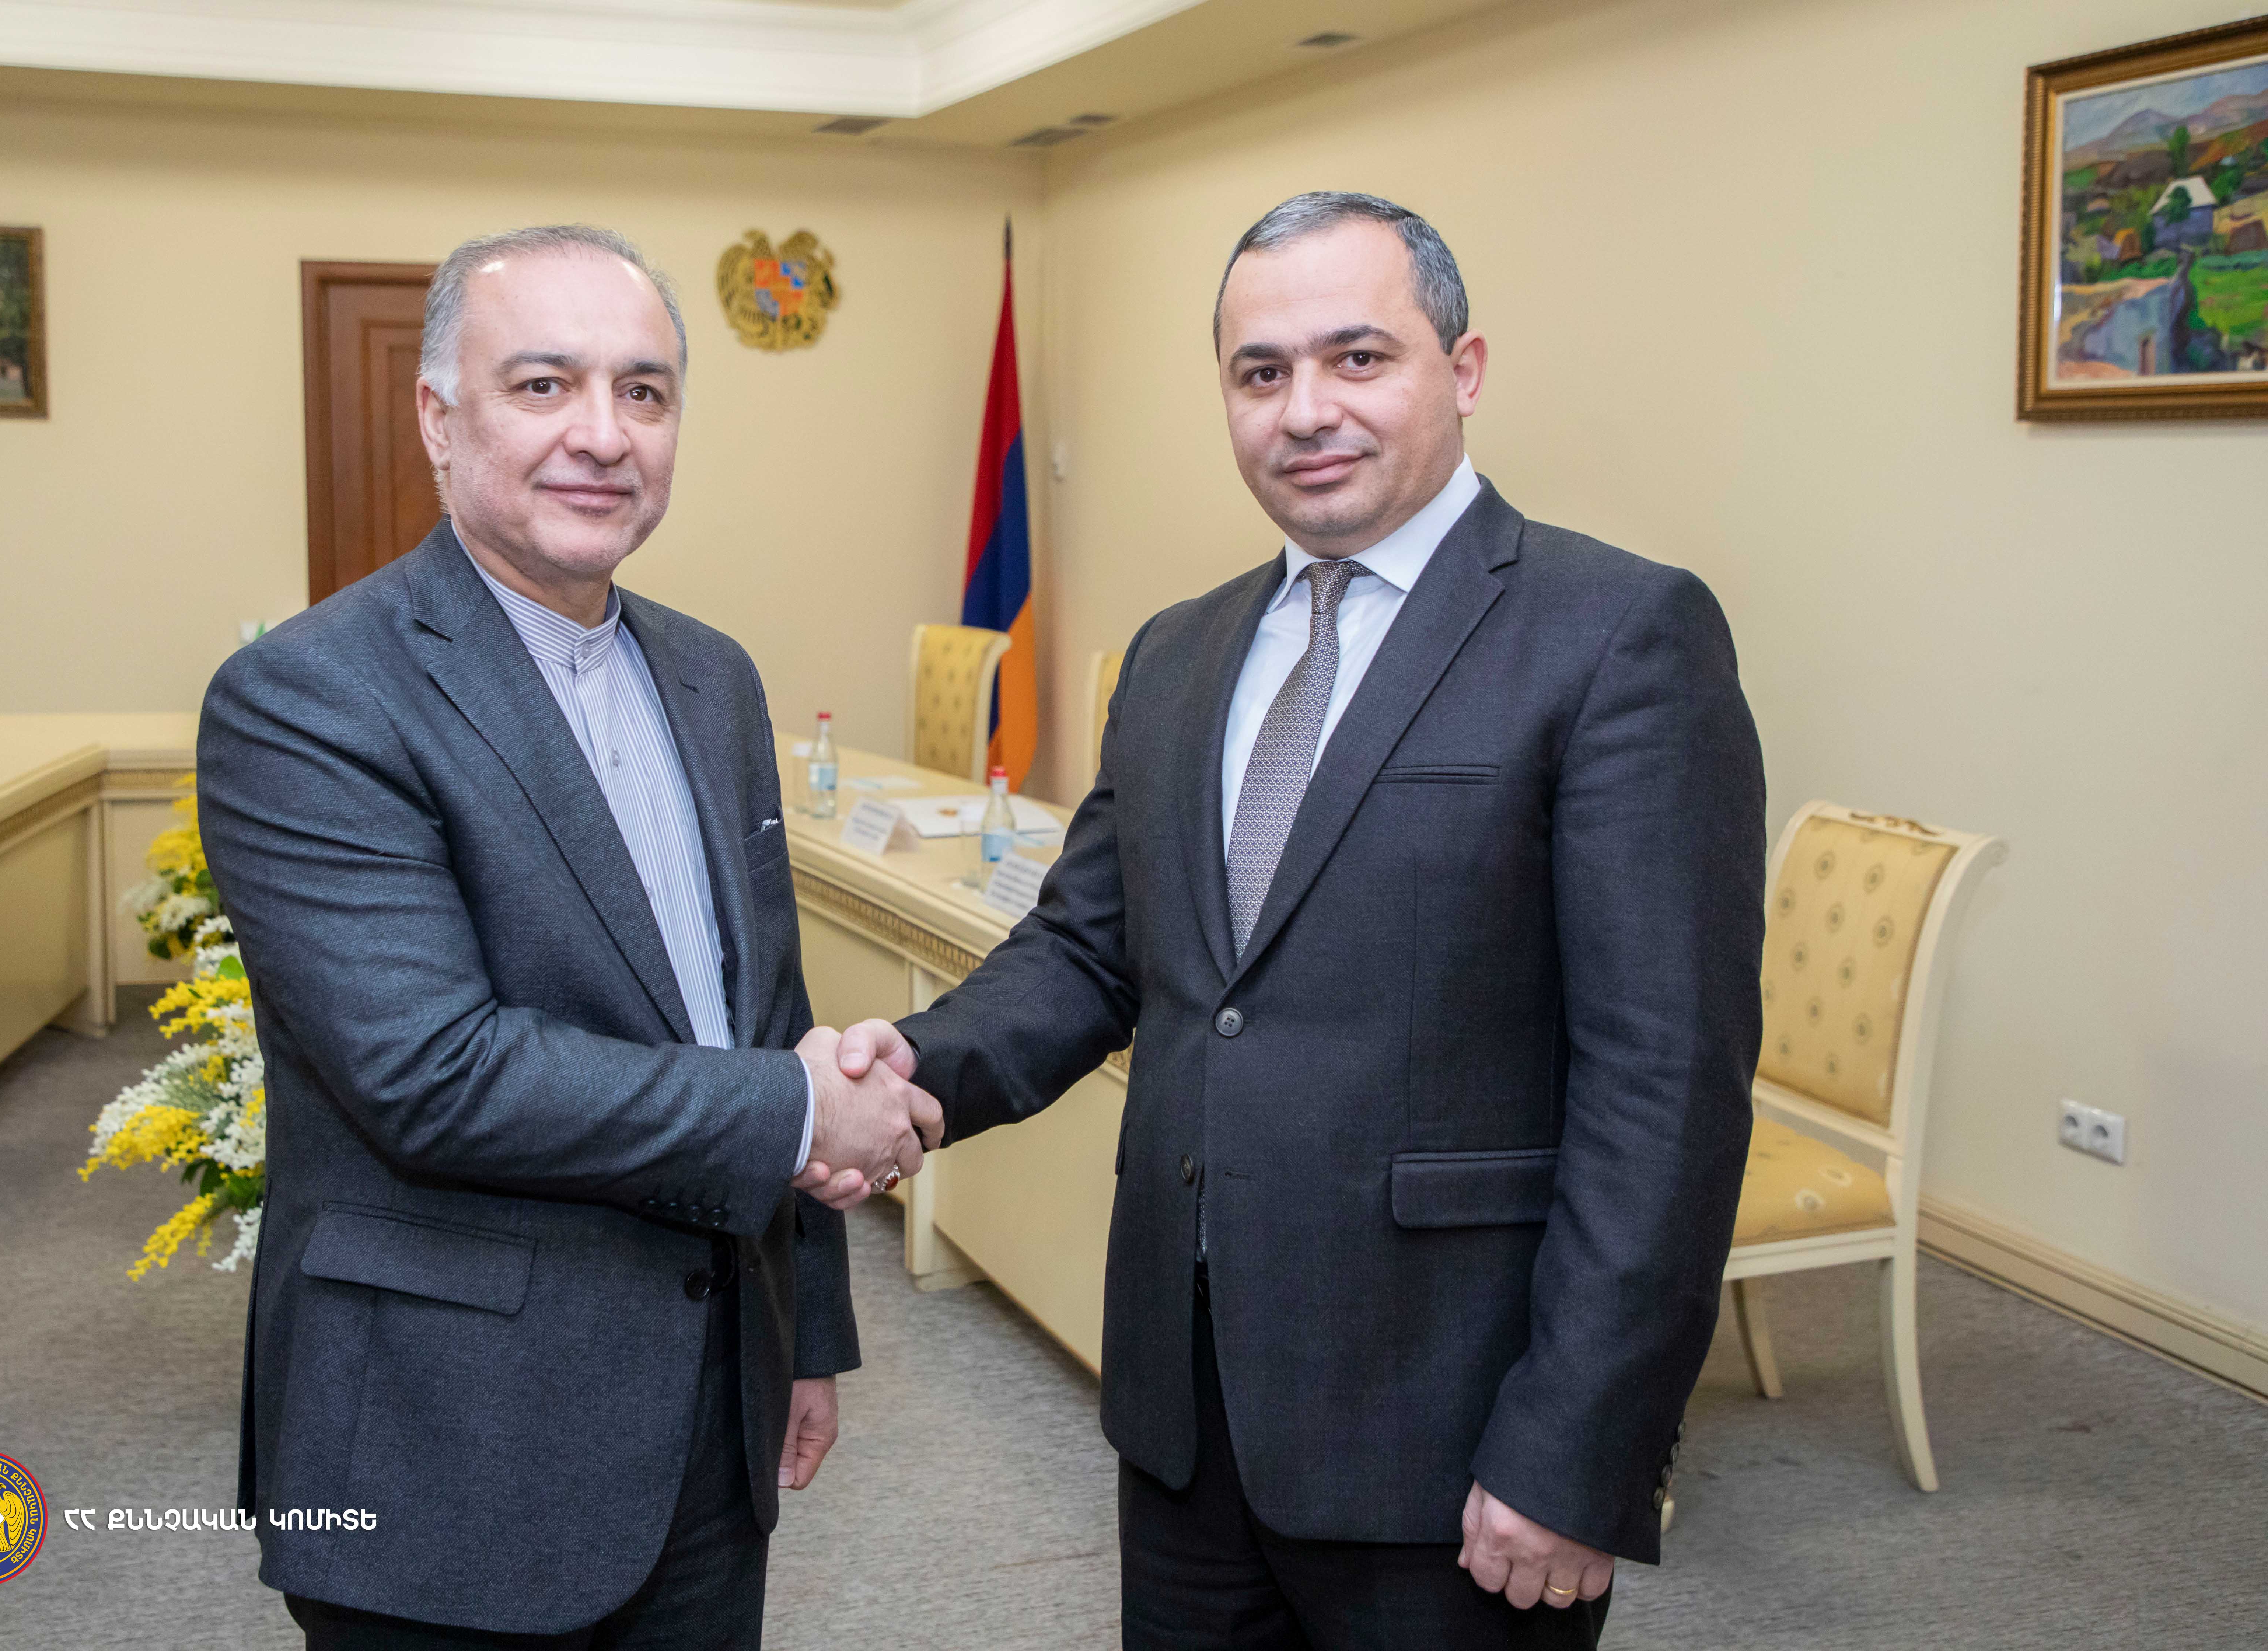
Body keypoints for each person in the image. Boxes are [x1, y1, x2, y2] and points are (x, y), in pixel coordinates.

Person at [836, 192, 1766, 1648]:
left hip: (1452, 1434)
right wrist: (909, 1075)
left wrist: (1580, 1445)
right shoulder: (1178, 653)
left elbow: (1668, 1085)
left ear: (1463, 370)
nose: (1306, 410)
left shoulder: (1617, 635)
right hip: (1185, 1409)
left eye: (1358, 358)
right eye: (1260, 372)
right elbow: (1090, 949)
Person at [196, 223, 938, 1649]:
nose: (604, 435)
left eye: (644, 392)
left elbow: (762, 1012)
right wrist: (802, 1109)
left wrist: (807, 1332)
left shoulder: (713, 678)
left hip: (709, 1417)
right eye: (544, 386)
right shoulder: (311, 697)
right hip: (448, 1446)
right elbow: (434, 1074)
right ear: (439, 416)